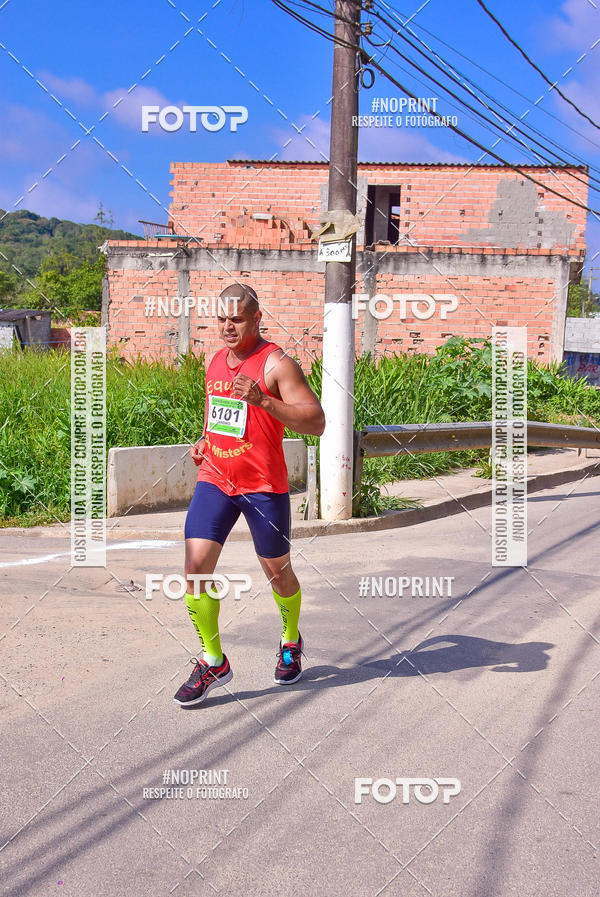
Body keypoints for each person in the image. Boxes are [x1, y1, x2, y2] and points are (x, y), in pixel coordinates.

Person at [174, 282, 325, 707]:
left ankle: (290, 640)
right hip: (216, 480)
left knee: (277, 572)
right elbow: (221, 419)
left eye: (236, 319)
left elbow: (315, 421)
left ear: (257, 318)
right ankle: (213, 659)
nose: (227, 327)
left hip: (263, 487)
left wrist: (263, 399)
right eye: (221, 319)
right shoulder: (216, 362)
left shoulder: (276, 364)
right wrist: (203, 441)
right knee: (195, 567)